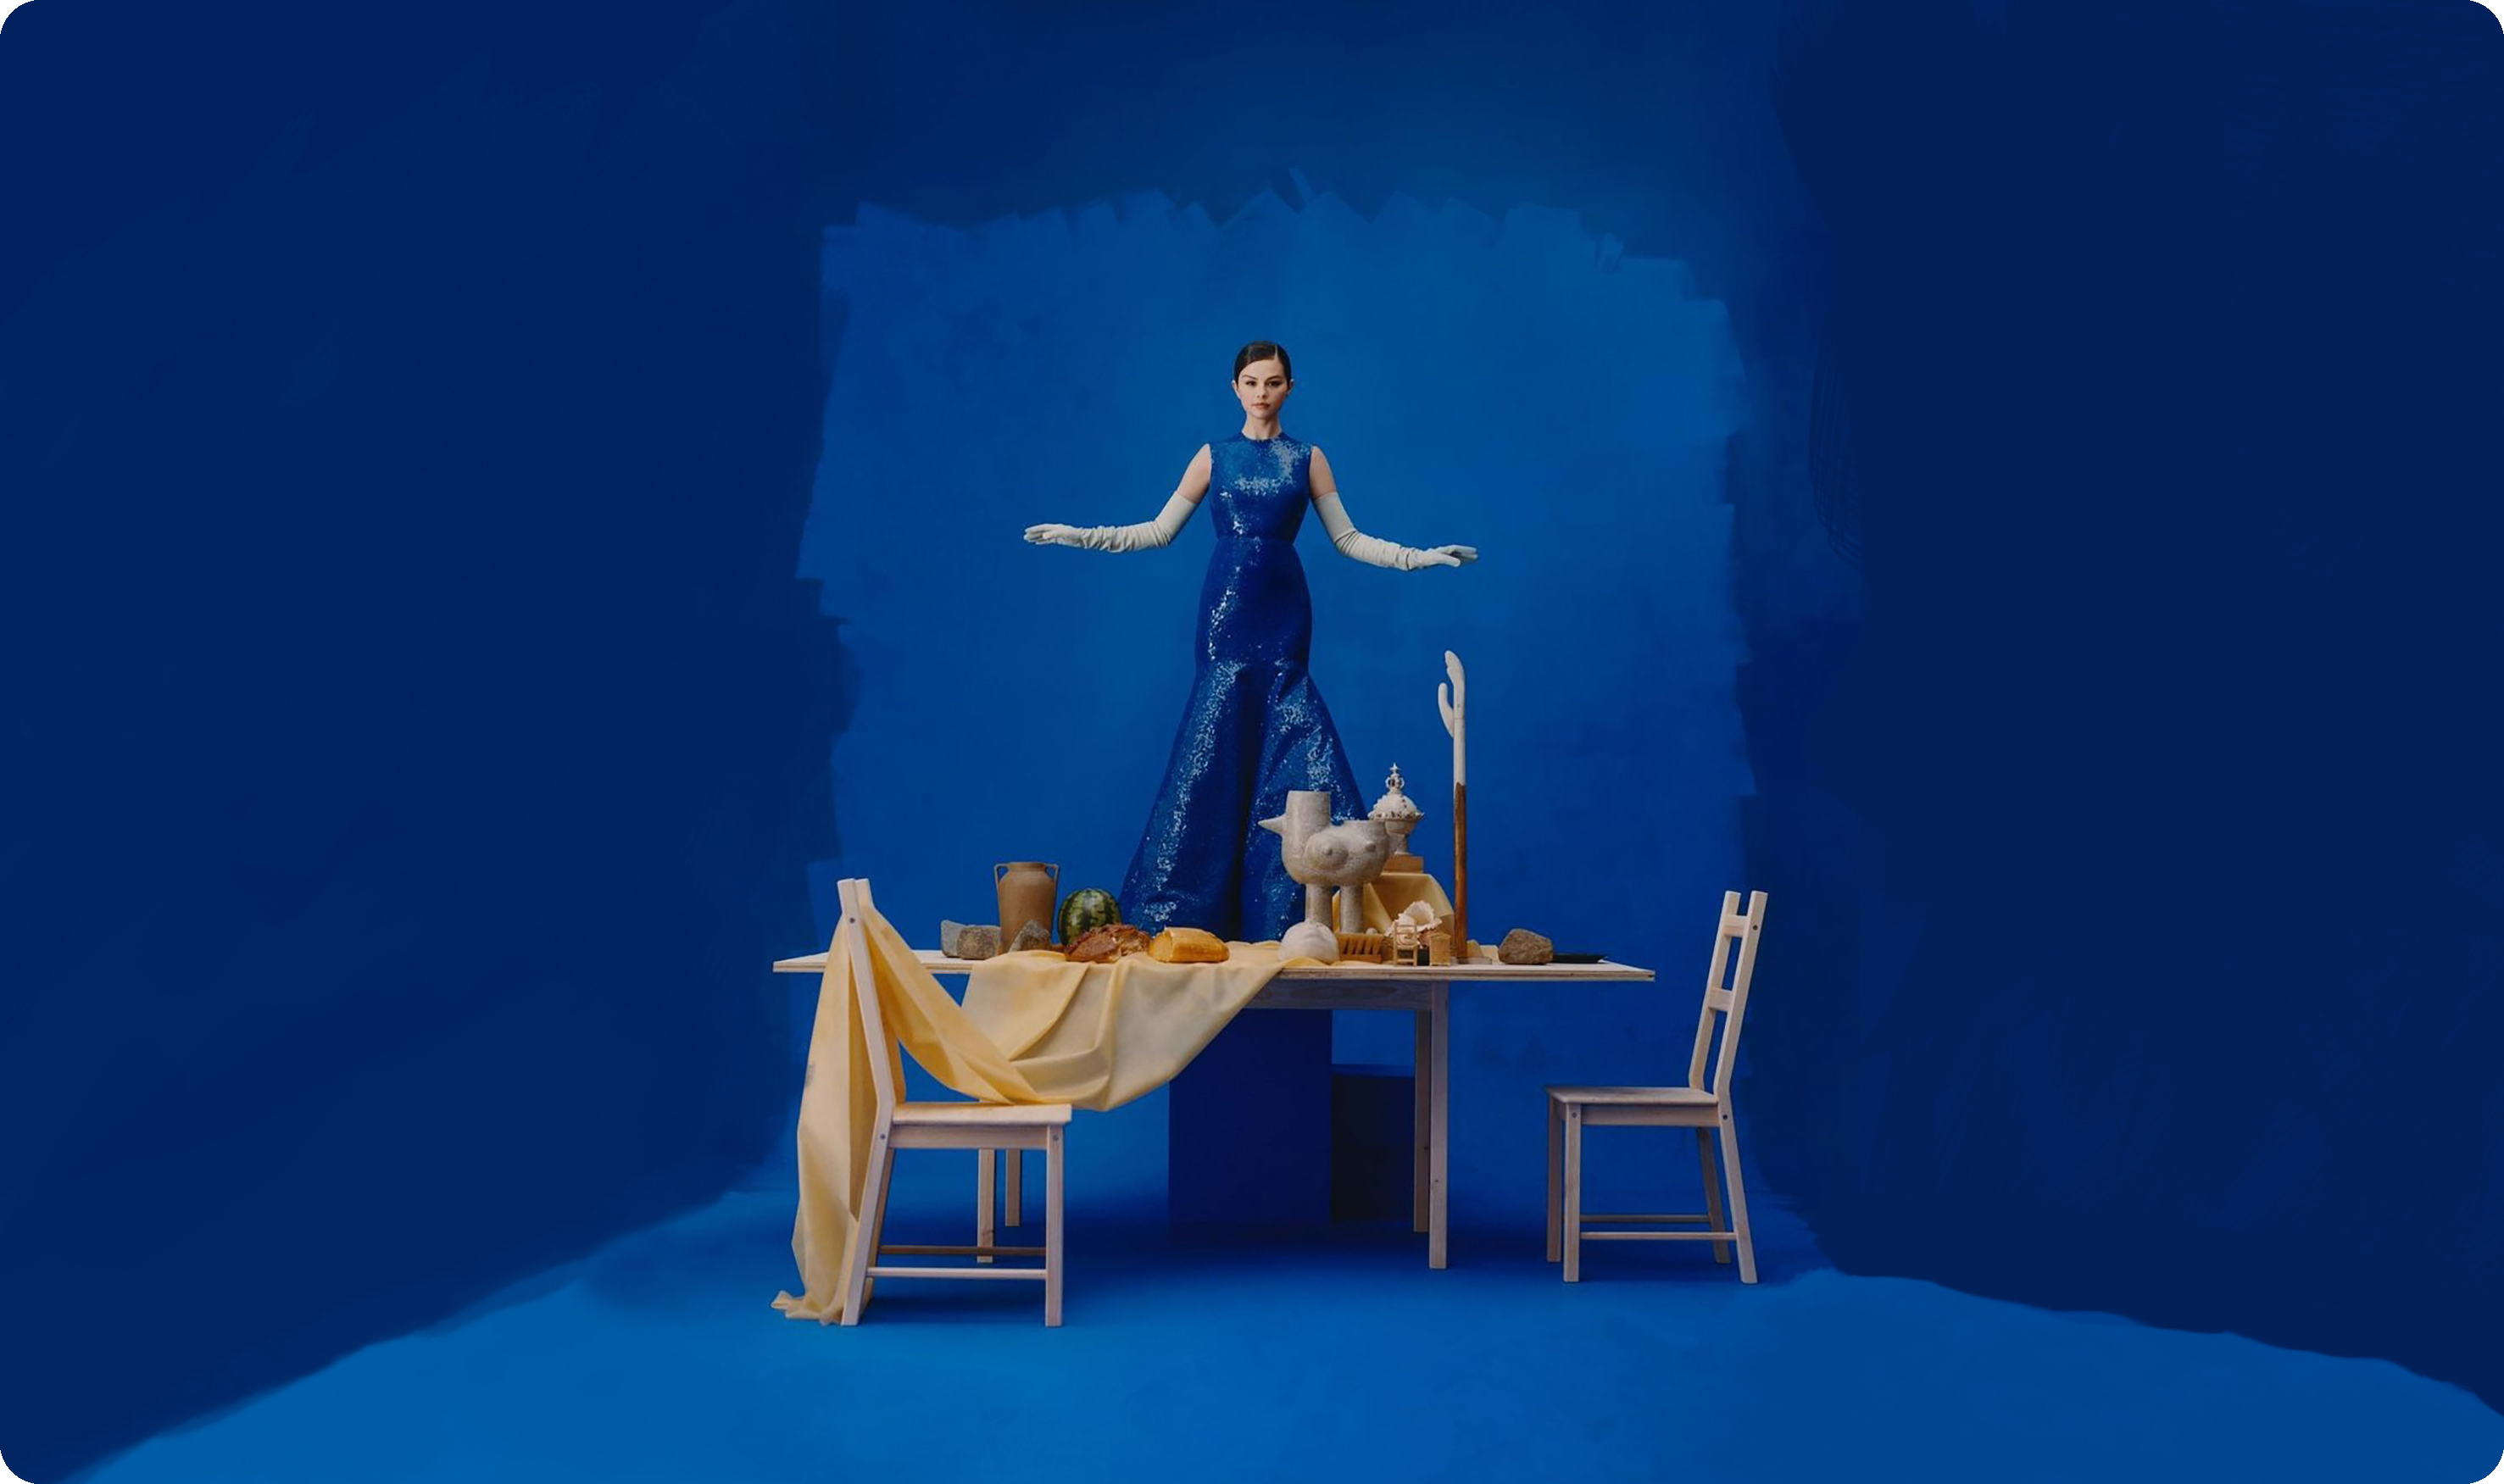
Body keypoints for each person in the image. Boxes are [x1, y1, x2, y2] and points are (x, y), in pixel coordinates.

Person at [1024, 341, 1477, 940]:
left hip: (1284, 610)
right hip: (1226, 613)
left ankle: (1296, 906)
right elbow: (1157, 531)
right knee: (1216, 739)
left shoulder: (1308, 458)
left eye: (1273, 382)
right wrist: (1079, 535)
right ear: (1235, 388)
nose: (1262, 393)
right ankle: (1185, 912)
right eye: (1251, 382)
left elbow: (1348, 538)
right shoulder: (1214, 457)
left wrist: (1417, 557)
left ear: (1290, 387)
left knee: (1291, 733)